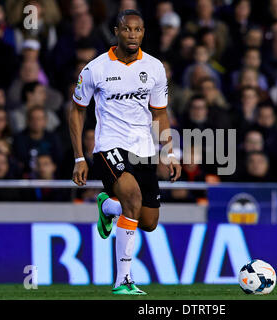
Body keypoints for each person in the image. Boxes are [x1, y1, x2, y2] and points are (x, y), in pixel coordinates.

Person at [69, 10, 181, 295]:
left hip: (144, 149)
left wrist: (169, 151)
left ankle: (107, 206)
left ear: (143, 32)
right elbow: (77, 112)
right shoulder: (95, 68)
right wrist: (80, 157)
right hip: (110, 147)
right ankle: (123, 280)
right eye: (127, 29)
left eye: (138, 30)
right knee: (131, 197)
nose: (133, 35)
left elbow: (160, 113)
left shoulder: (155, 67)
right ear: (117, 31)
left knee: (149, 222)